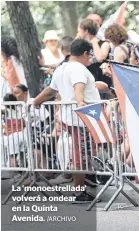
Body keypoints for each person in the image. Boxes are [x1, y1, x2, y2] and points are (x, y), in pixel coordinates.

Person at [33, 39, 101, 203]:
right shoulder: (78, 69)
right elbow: (79, 87)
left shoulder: (62, 68)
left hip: (71, 118)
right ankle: (78, 192)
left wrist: (37, 100)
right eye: (90, 55)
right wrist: (80, 103)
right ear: (85, 53)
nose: (90, 58)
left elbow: (50, 90)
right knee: (81, 156)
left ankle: (81, 181)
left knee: (81, 154)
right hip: (82, 118)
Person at [77, 19, 111, 86]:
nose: (78, 33)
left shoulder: (104, 44)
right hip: (88, 82)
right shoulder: (82, 46)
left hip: (103, 83)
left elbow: (100, 58)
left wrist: (94, 42)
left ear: (86, 31)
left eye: (79, 30)